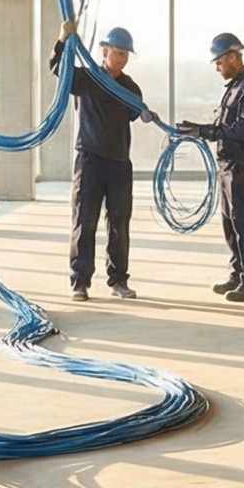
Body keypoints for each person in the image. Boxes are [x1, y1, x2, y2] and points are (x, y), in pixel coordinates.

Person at [54, 27, 144, 300]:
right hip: (90, 159)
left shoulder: (130, 88)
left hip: (119, 162)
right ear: (104, 51)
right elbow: (57, 68)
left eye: (125, 54)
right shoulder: (87, 78)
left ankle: (119, 280)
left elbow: (135, 111)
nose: (122, 59)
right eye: (118, 53)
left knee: (119, 223)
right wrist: (62, 39)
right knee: (84, 221)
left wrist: (144, 110)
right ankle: (80, 281)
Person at [181, 33, 244, 302]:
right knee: (230, 224)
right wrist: (200, 130)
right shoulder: (235, 87)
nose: (217, 67)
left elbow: (243, 131)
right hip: (229, 166)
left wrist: (204, 131)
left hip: (243, 167)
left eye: (219, 62)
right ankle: (238, 274)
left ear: (233, 57)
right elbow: (226, 126)